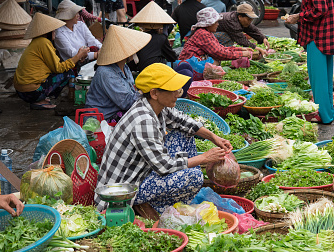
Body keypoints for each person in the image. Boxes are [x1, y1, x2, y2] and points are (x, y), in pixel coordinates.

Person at [95, 63, 232, 219]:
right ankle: (152, 208)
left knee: (184, 133)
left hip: (142, 172)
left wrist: (214, 137)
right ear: (154, 93)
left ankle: (153, 203)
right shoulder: (143, 120)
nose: (178, 93)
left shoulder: (156, 106)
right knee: (194, 176)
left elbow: (183, 121)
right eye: (173, 90)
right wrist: (204, 158)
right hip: (123, 192)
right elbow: (165, 166)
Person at [284, 0, 334, 124]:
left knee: (318, 80)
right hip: (326, 32)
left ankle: (323, 115)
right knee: (325, 79)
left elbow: (319, 10)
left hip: (318, 34)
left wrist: (298, 16)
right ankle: (327, 114)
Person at [14, 12, 89, 110]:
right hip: (31, 92)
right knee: (68, 73)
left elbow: (54, 64)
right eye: (53, 31)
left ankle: (41, 99)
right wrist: (78, 55)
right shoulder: (43, 42)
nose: (55, 32)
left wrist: (78, 57)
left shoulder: (38, 42)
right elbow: (58, 68)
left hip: (22, 90)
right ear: (47, 32)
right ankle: (40, 100)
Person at [85, 25, 151, 124]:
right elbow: (127, 103)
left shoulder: (125, 67)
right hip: (101, 119)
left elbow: (131, 93)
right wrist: (145, 90)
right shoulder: (106, 73)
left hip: (116, 111)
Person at [179, 7, 253, 62]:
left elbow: (221, 48)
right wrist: (241, 54)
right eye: (216, 22)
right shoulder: (202, 33)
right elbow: (219, 53)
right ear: (209, 23)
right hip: (189, 64)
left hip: (195, 62)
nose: (218, 24)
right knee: (216, 61)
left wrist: (240, 49)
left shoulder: (207, 32)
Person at [129, 1, 178, 71]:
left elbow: (134, 62)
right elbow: (172, 57)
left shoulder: (139, 38)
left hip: (143, 72)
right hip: (157, 71)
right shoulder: (161, 38)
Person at [54, 0, 102, 65]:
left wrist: (102, 49)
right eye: (75, 13)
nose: (78, 15)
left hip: (88, 58)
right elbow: (72, 54)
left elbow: (91, 40)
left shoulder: (80, 24)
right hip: (74, 65)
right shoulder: (59, 33)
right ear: (68, 17)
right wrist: (96, 55)